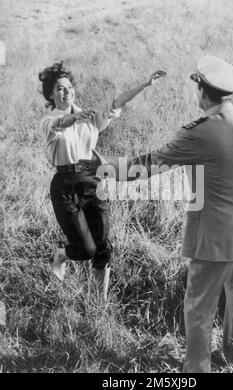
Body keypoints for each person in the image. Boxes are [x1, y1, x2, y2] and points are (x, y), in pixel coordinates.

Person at [95, 55, 233, 371]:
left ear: (202, 90)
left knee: (198, 309)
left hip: (214, 235)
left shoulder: (199, 133)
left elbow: (150, 164)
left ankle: (196, 370)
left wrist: (107, 170)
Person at [39, 61, 166, 298]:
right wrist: (75, 118)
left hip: (91, 180)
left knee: (103, 247)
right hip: (65, 185)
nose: (65, 92)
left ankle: (101, 302)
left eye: (68, 87)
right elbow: (61, 124)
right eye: (59, 89)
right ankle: (61, 255)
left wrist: (146, 84)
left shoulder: (90, 116)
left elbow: (118, 102)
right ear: (50, 94)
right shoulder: (48, 121)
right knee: (85, 249)